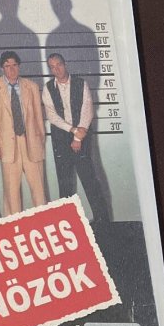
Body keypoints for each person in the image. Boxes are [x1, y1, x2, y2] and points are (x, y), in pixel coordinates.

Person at [42, 53, 109, 222]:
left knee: (89, 180)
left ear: (65, 64)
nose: (57, 69)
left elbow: (87, 110)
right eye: (52, 67)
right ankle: (68, 223)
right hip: (61, 138)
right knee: (64, 183)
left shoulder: (81, 83)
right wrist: (72, 130)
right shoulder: (48, 88)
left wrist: (78, 137)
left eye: (59, 65)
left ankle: (103, 221)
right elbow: (52, 116)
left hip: (82, 135)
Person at [0, 51, 46, 215]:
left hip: (30, 141)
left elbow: (39, 118)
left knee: (39, 190)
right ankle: (14, 225)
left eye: (14, 65)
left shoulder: (31, 86)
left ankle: (43, 222)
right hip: (7, 145)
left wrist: (40, 140)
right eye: (7, 66)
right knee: (11, 192)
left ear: (19, 66)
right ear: (2, 68)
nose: (11, 69)